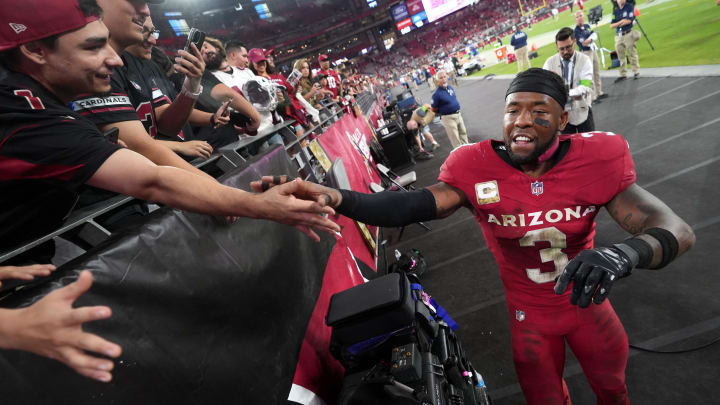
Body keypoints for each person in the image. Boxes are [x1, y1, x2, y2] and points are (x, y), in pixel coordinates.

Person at [256, 68, 695, 405]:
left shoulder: (597, 157)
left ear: (562, 120)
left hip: (589, 309)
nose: (522, 121)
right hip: (529, 319)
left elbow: (675, 229)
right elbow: (411, 205)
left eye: (539, 112)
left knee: (614, 393)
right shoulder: (473, 166)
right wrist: (337, 196)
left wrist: (624, 254)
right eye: (513, 110)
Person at [0, 0, 340, 379]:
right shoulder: (20, 110)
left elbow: (147, 164)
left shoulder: (32, 100)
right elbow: (149, 176)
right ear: (33, 50)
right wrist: (254, 203)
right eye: (93, 46)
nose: (113, 60)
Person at [543, 27, 595, 133]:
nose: (565, 51)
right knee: (567, 148)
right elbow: (545, 88)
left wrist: (565, 94)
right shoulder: (549, 63)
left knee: (589, 146)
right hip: (562, 115)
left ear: (574, 42)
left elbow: (585, 87)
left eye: (568, 47)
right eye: (561, 49)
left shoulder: (585, 60)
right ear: (557, 46)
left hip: (582, 110)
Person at [430, 69, 469, 148]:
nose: (444, 79)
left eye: (444, 77)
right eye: (441, 78)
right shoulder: (436, 95)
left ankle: (468, 151)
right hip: (448, 118)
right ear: (437, 81)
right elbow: (433, 109)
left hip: (458, 114)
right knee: (455, 139)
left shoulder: (450, 87)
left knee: (463, 134)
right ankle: (461, 157)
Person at [574, 10, 607, 101]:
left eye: (581, 15)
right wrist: (592, 38)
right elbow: (584, 43)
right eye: (577, 17)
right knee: (590, 75)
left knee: (597, 71)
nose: (579, 18)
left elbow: (593, 34)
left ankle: (599, 92)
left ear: (583, 17)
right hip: (585, 53)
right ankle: (593, 97)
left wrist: (591, 38)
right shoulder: (576, 31)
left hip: (592, 50)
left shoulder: (587, 26)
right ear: (575, 19)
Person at [610, 0, 640, 81]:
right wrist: (621, 21)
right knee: (621, 56)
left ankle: (636, 72)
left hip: (628, 34)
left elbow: (629, 21)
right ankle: (623, 74)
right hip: (618, 36)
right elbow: (611, 25)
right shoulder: (615, 10)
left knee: (632, 53)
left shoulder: (629, 6)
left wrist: (620, 23)